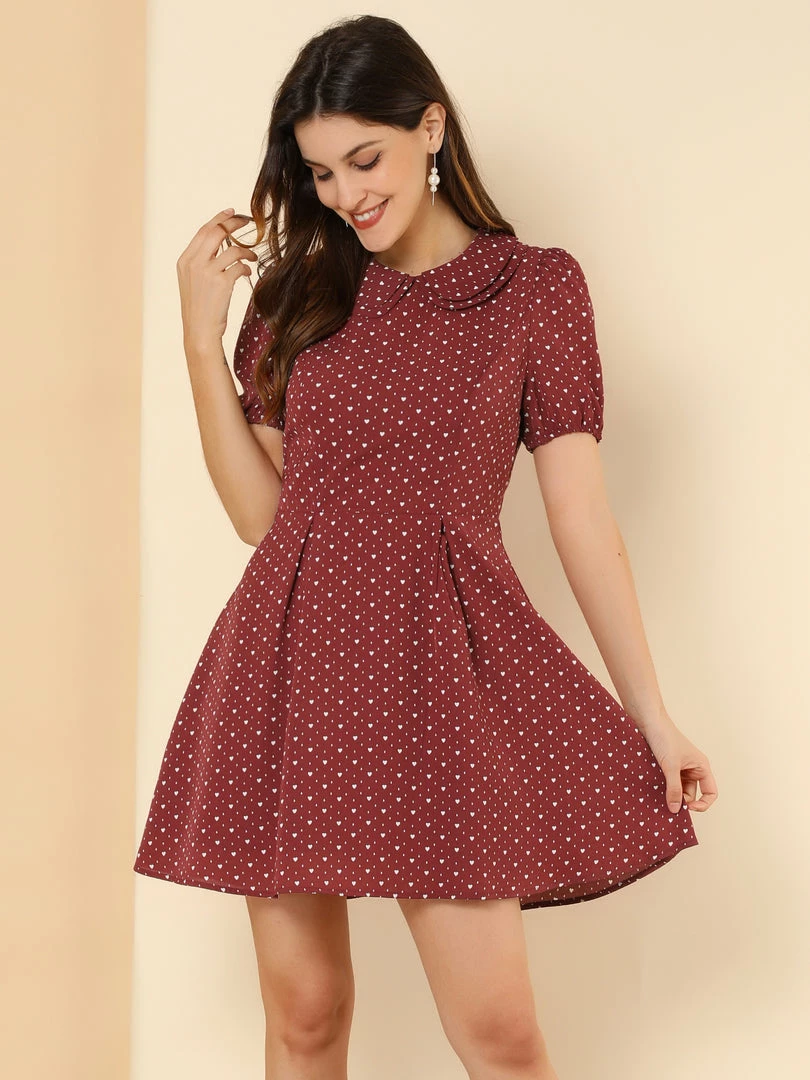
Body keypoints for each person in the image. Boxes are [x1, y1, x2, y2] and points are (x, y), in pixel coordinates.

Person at [134, 14, 718, 1080]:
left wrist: (652, 710)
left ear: (431, 128)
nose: (347, 195)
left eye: (366, 159)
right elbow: (261, 518)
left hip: (436, 673)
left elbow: (581, 518)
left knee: (498, 1034)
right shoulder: (298, 294)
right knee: (305, 1018)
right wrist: (197, 339)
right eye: (321, 173)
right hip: (291, 663)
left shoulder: (535, 288)